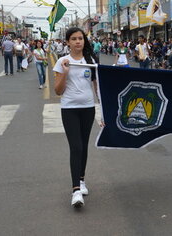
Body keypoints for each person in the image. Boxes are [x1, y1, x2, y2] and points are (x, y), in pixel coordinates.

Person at [53, 27, 99, 208]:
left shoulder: (91, 61)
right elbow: (58, 90)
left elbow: (97, 86)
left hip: (88, 108)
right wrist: (64, 72)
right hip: (70, 109)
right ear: (68, 42)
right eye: (74, 39)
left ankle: (81, 180)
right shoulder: (63, 61)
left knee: (84, 146)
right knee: (76, 146)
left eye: (80, 38)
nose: (78, 41)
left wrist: (104, 108)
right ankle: (75, 191)